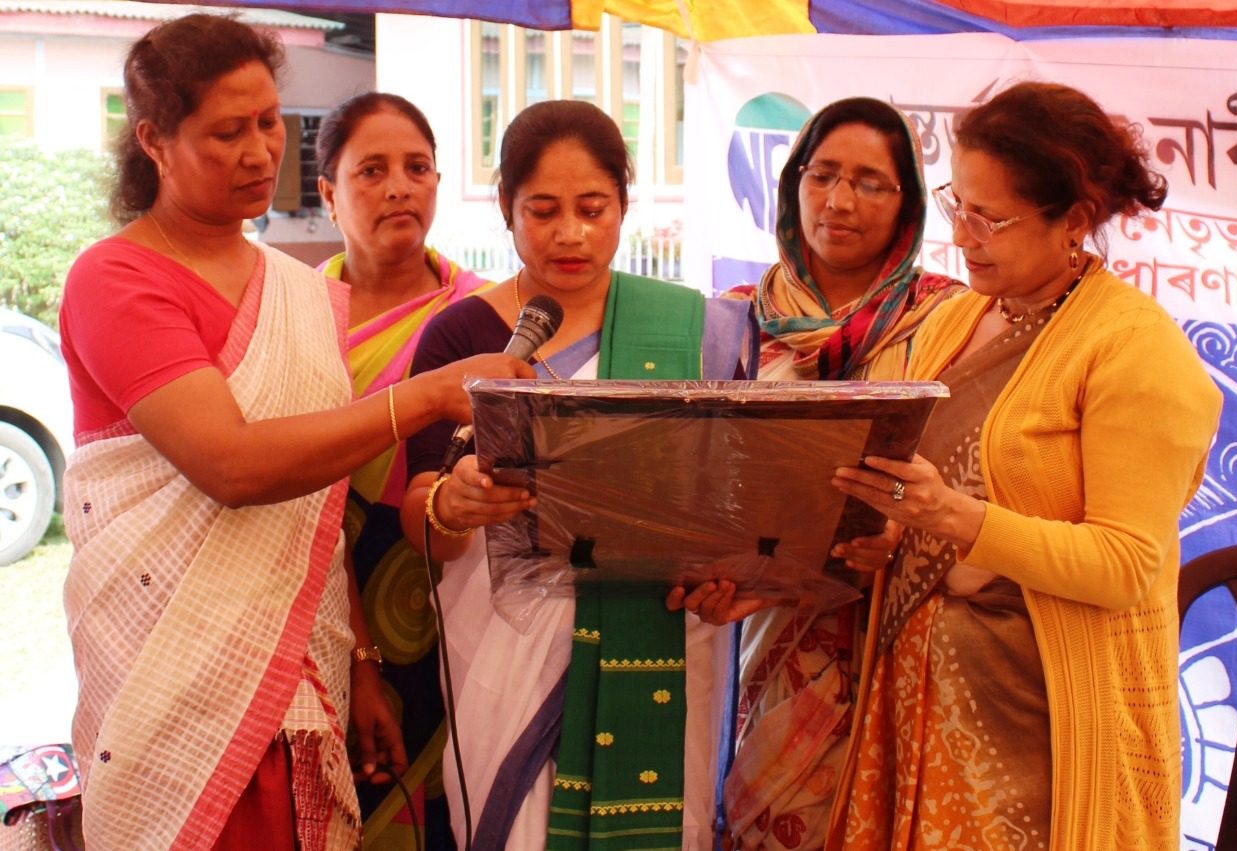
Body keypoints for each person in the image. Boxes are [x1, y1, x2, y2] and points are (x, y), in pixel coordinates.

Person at [58, 15, 528, 850]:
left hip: (305, 672)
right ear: (154, 141)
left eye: (269, 122)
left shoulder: (298, 290)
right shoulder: (116, 276)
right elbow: (234, 467)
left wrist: (360, 660)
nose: (259, 152)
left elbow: (317, 511)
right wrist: (423, 396)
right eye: (226, 132)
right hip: (169, 679)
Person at [824, 81, 1222, 850]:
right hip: (919, 701)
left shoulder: (1133, 348)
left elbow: (1124, 564)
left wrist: (952, 517)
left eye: (991, 218)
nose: (963, 235)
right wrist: (891, 538)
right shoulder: (957, 318)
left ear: (1073, 220)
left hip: (1041, 728)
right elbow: (930, 489)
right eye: (958, 204)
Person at [398, 99, 757, 850]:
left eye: (593, 209)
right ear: (505, 207)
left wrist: (726, 573)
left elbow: (732, 505)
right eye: (543, 211)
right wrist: (452, 507)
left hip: (660, 637)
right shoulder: (463, 333)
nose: (570, 233)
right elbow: (421, 509)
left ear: (624, 204)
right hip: (507, 653)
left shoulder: (695, 334)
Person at [719, 96, 962, 851]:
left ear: (908, 204)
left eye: (870, 182)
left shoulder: (950, 319)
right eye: (822, 175)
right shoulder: (734, 319)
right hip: (763, 619)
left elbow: (972, 474)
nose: (840, 200)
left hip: (902, 625)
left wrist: (901, 532)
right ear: (793, 182)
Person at [315, 91, 491, 847]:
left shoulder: (485, 316)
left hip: (460, 598)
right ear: (327, 193)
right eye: (372, 170)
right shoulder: (293, 319)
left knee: (454, 804)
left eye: (417, 168)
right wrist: (358, 656)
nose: (399, 188)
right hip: (324, 595)